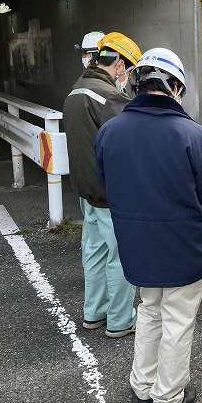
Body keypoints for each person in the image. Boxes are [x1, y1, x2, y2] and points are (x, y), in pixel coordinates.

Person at [95, 48, 202, 403]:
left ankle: (142, 385)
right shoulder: (194, 136)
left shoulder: (111, 131)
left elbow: (106, 185)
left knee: (149, 310)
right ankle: (167, 397)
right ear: (174, 87)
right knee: (178, 319)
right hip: (184, 246)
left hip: (137, 245)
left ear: (137, 83)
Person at [63, 31, 142, 338]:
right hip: (110, 193)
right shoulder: (107, 96)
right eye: (129, 69)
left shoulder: (77, 89)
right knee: (121, 256)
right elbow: (133, 135)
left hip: (86, 189)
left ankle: (93, 312)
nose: (128, 76)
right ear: (119, 64)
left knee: (93, 252)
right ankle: (121, 320)